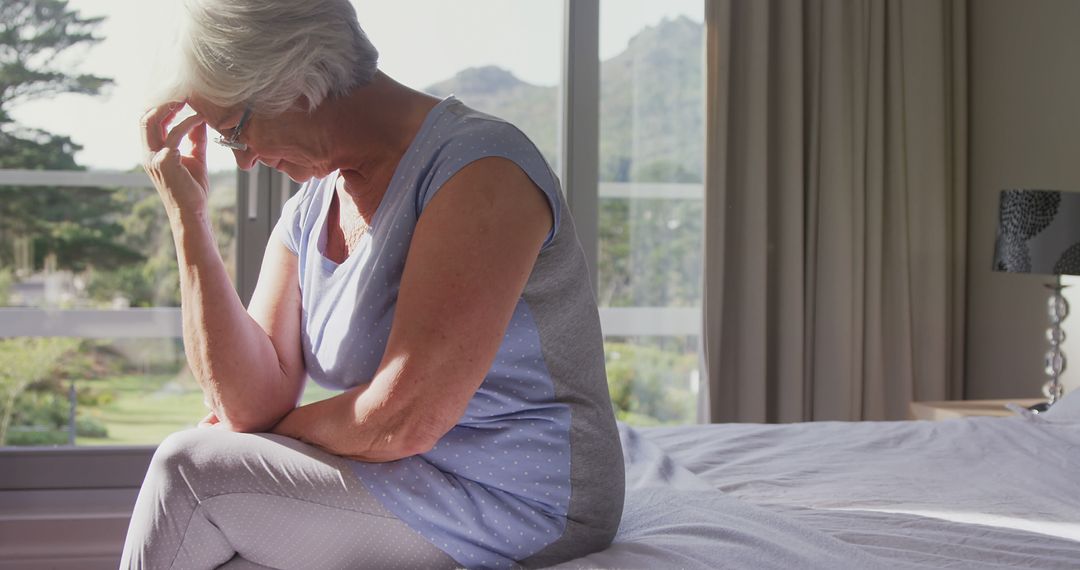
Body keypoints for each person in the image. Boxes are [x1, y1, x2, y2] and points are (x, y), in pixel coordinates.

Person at [118, 0, 624, 568]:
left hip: (527, 501)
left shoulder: (483, 170)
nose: (244, 161)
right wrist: (190, 220)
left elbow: (406, 417)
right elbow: (246, 402)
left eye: (236, 132)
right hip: (410, 476)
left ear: (298, 78)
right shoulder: (312, 207)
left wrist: (273, 436)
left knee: (189, 473)